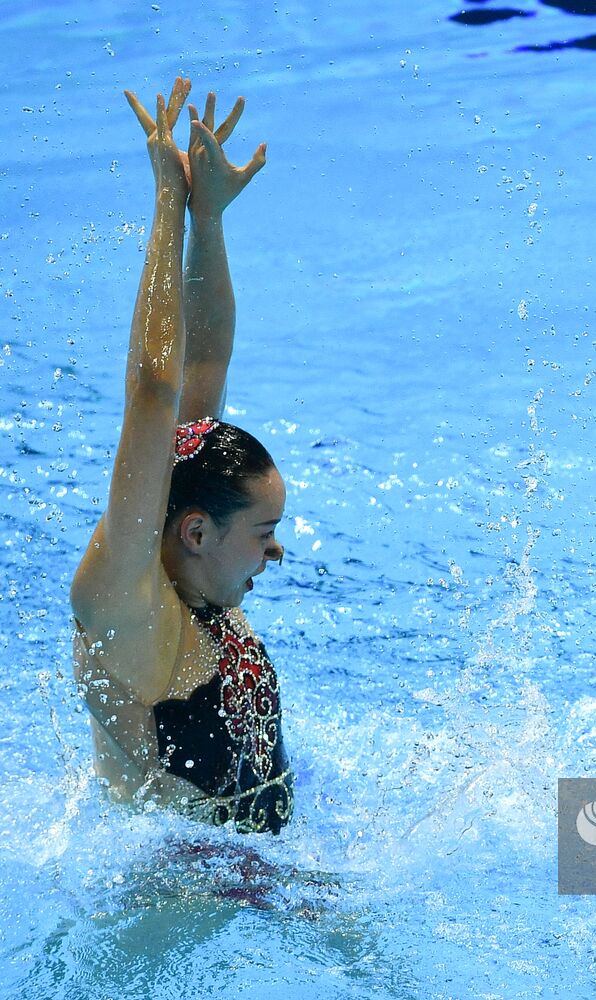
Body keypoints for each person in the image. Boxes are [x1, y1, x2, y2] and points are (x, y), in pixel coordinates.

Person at [71, 78, 293, 833]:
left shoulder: (192, 535)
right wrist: (167, 201)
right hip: (181, 904)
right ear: (196, 532)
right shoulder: (126, 608)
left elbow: (202, 365)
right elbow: (155, 389)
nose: (277, 554)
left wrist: (208, 218)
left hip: (267, 883)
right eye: (263, 535)